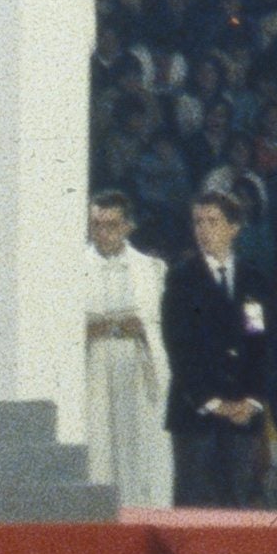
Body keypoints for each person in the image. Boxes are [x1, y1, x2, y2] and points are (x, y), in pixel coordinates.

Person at [161, 190, 267, 508]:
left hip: (241, 412)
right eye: (198, 222)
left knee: (236, 504)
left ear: (234, 227)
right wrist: (213, 402)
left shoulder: (252, 278)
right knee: (195, 503)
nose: (203, 229)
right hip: (197, 412)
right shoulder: (181, 279)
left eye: (213, 221)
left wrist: (250, 399)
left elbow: (258, 340)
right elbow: (179, 348)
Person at [83, 192, 172, 508]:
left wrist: (105, 326)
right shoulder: (75, 268)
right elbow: (76, 327)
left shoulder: (151, 269)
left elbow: (151, 324)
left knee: (138, 452)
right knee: (96, 453)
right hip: (91, 374)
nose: (103, 232)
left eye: (111, 225)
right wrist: (117, 326)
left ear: (128, 226)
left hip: (136, 374)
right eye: (96, 224)